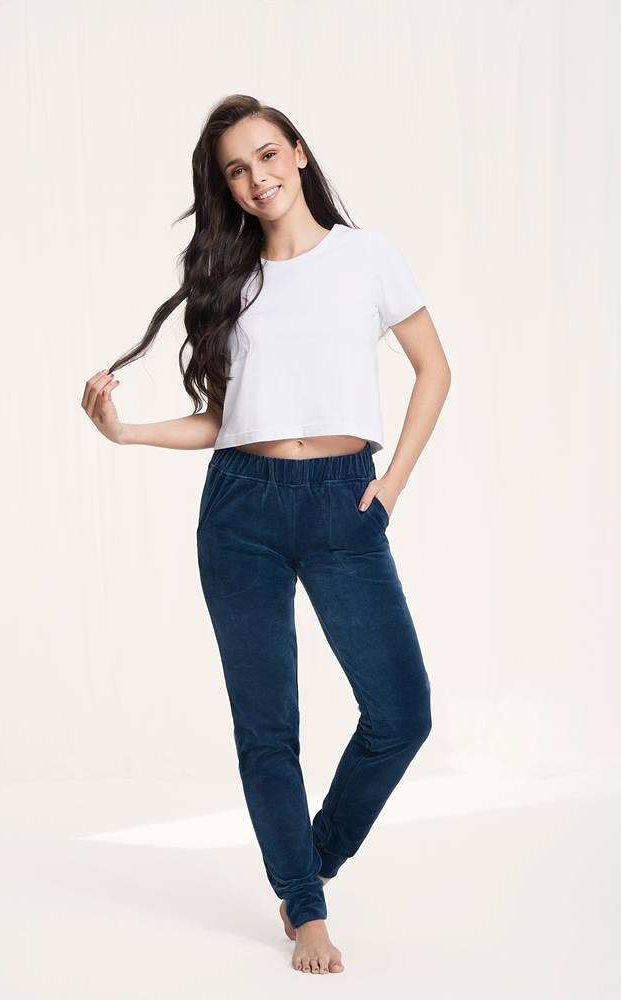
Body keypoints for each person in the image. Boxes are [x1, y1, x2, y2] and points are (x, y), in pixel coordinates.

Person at [81, 94, 451, 975]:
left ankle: (309, 862)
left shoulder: (367, 258)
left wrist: (391, 484)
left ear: (299, 152)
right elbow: (226, 420)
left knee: (402, 712)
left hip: (343, 501)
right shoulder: (234, 281)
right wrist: (126, 434)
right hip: (242, 508)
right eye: (237, 170)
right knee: (267, 725)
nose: (258, 178)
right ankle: (306, 910)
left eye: (267, 155)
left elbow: (434, 368)